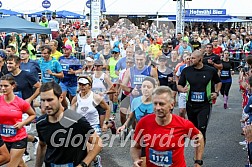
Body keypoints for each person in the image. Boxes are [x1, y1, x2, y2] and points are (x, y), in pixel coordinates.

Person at [130, 86, 205, 167]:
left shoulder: (183, 124)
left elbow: (199, 138)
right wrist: (136, 159)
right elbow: (135, 147)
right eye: (155, 103)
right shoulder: (144, 122)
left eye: (161, 104)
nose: (158, 107)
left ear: (171, 105)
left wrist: (198, 161)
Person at [36, 81, 102, 167]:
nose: (46, 104)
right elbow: (42, 145)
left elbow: (98, 143)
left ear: (60, 98)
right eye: (43, 100)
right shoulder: (41, 123)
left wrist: (83, 164)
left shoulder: (76, 120)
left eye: (50, 100)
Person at [177, 50, 222, 145]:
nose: (190, 60)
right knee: (194, 129)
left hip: (205, 105)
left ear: (200, 59)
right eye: (190, 57)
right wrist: (182, 89)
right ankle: (197, 146)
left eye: (193, 58)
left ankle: (199, 153)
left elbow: (219, 82)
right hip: (190, 105)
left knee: (202, 128)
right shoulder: (186, 71)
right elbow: (179, 85)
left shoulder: (210, 70)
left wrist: (216, 92)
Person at [117, 77, 156, 167]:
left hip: (155, 136)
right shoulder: (136, 101)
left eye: (149, 87)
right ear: (141, 88)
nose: (146, 88)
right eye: (144, 86)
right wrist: (124, 126)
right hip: (140, 136)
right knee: (139, 162)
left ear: (154, 88)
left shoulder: (157, 103)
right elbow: (132, 117)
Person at [0, 75, 36, 167]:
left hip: (18, 139)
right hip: (3, 139)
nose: (3, 88)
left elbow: (33, 114)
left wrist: (22, 123)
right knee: (20, 164)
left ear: (13, 86)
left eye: (6, 86)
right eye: (1, 86)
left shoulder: (20, 102)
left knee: (11, 165)